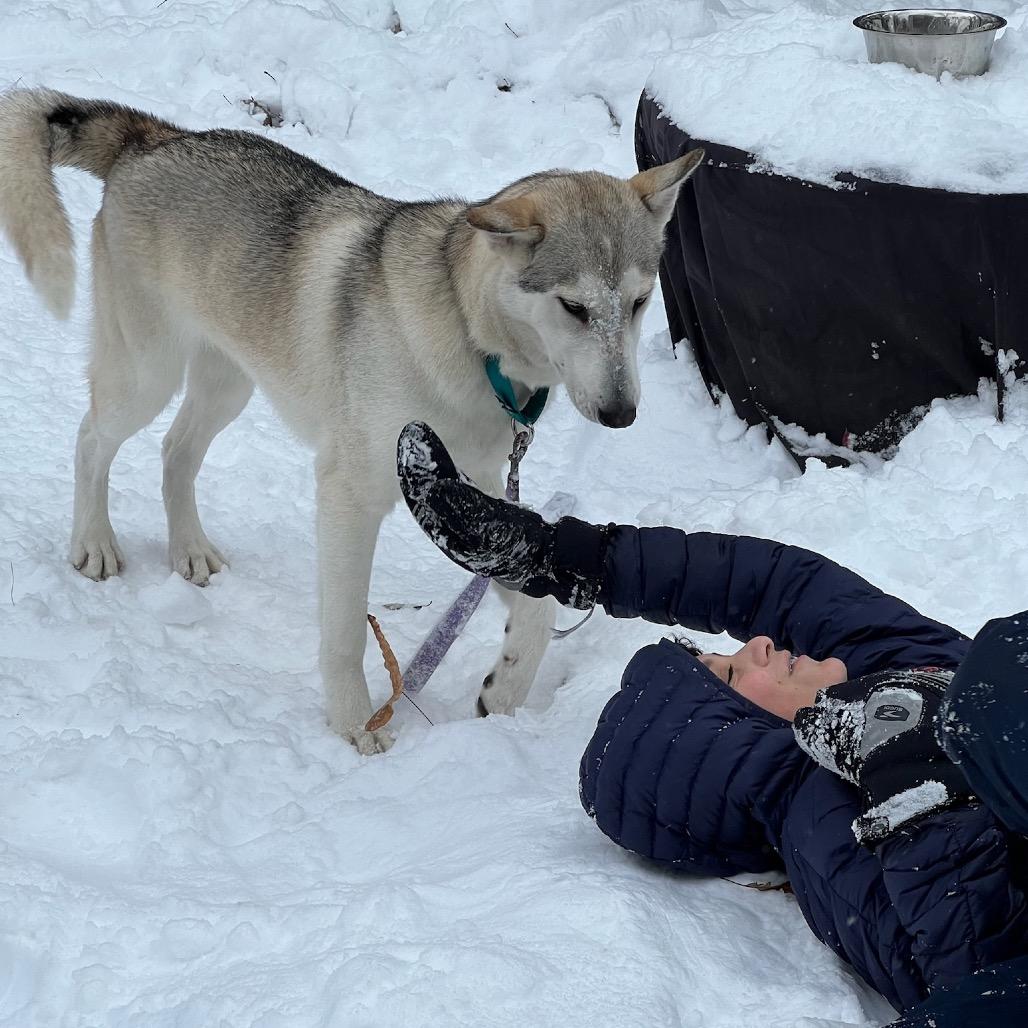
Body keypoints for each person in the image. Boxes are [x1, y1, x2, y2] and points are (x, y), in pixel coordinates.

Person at [396, 421, 1028, 1027]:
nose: (756, 644)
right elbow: (975, 979)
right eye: (730, 674)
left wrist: (558, 558)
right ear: (744, 733)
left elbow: (777, 588)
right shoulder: (815, 812)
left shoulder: (876, 668)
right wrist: (916, 790)